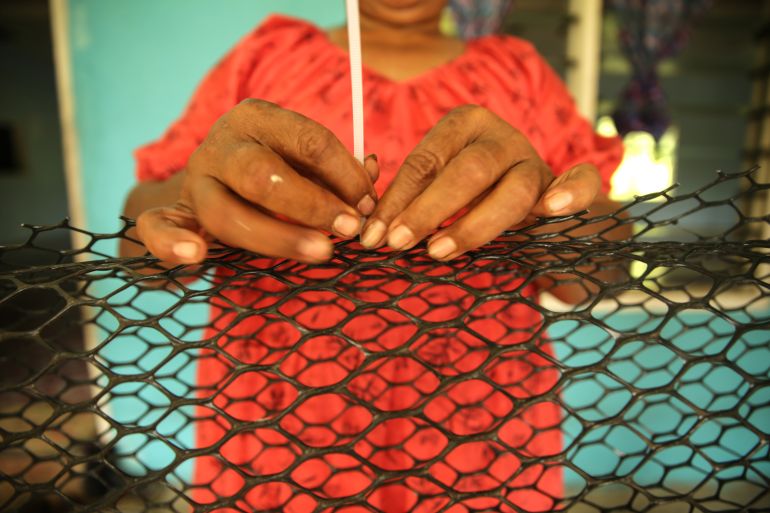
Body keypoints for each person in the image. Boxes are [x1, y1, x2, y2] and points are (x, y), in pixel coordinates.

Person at [122, 1, 626, 511]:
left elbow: (602, 269)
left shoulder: (518, 72)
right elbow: (139, 243)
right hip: (280, 432)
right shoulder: (269, 56)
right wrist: (191, 205)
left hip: (481, 435)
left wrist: (548, 212)